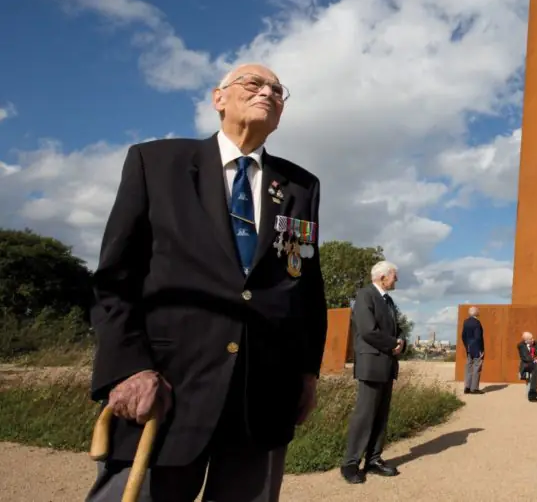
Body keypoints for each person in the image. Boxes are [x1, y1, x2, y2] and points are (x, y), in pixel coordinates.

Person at [85, 64, 327, 502]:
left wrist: (308, 373)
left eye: (278, 90)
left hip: (264, 398)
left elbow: (307, 287)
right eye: (254, 84)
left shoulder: (300, 185)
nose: (268, 92)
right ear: (219, 98)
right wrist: (127, 368)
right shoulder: (157, 163)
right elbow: (115, 277)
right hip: (166, 391)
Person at [341, 260, 404, 484]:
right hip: (371, 363)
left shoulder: (388, 301)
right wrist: (392, 343)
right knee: (365, 415)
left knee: (381, 415)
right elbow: (368, 330)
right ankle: (350, 463)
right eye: (394, 275)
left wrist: (400, 341)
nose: (396, 279)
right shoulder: (365, 295)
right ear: (382, 276)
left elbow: (397, 330)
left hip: (387, 364)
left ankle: (374, 459)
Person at [460, 306, 484, 395]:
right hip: (477, 349)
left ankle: (467, 387)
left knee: (469, 368)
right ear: (475, 312)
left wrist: (467, 346)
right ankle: (474, 389)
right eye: (478, 310)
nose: (479, 311)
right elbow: (478, 337)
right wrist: (480, 349)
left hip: (469, 349)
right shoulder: (477, 323)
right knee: (477, 368)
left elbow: (463, 336)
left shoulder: (466, 322)